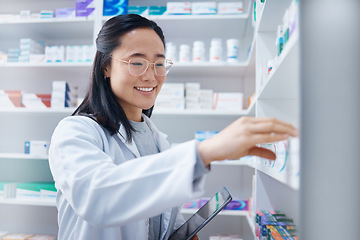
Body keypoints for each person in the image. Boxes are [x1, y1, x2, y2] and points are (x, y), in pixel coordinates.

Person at [48, 14, 298, 240]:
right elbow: (98, 198)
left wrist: (179, 232)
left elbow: (154, 214)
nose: (151, 76)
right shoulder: (75, 132)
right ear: (106, 67)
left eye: (159, 63)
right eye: (137, 63)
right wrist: (204, 152)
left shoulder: (155, 138)